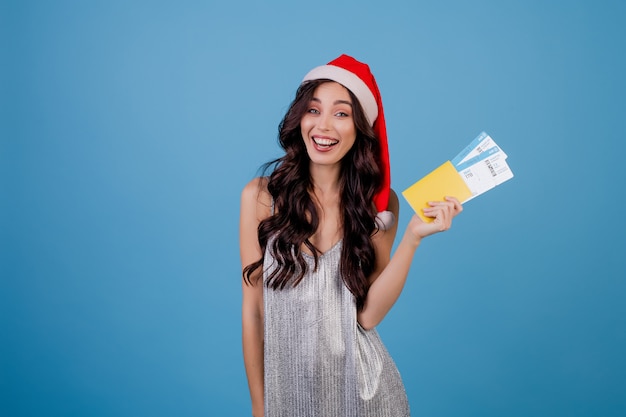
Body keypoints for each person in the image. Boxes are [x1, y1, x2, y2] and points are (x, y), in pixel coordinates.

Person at [240, 54, 462, 417]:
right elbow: (253, 312)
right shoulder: (261, 197)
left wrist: (412, 238)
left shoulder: (378, 204)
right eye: (313, 110)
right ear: (300, 118)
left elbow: (368, 317)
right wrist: (259, 407)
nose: (323, 125)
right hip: (287, 397)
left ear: (361, 127)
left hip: (365, 397)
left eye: (341, 114)